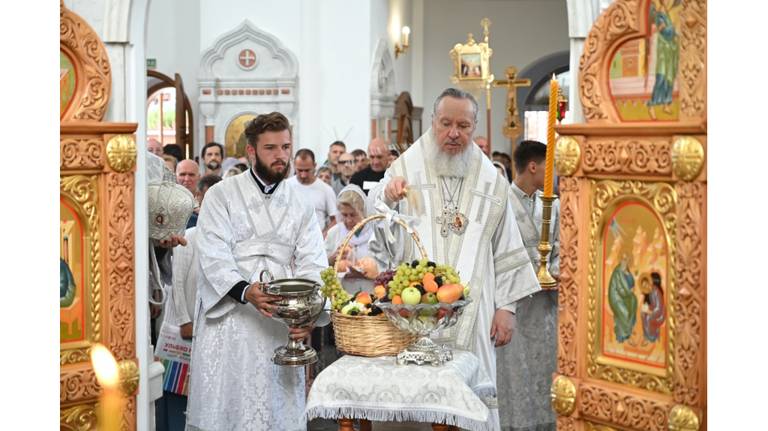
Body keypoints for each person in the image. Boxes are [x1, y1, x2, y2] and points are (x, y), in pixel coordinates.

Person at [369, 88, 540, 430]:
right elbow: (378, 222)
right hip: (412, 312)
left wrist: (507, 308)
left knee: (470, 397)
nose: (453, 133)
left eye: (463, 125)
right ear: (433, 122)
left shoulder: (492, 179)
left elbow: (506, 244)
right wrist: (387, 196)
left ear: (474, 127)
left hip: (474, 316)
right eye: (446, 123)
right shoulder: (405, 168)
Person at [187, 112, 327, 430]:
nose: (281, 156)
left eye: (285, 146)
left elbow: (314, 262)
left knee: (275, 413)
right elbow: (212, 253)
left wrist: (306, 315)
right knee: (228, 410)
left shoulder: (301, 203)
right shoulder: (222, 194)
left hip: (280, 321)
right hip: (231, 322)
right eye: (271, 148)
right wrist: (245, 290)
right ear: (251, 151)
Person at [496, 140, 561, 431]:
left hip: (546, 307)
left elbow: (562, 246)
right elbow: (497, 254)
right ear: (534, 167)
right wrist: (531, 277)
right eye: (550, 166)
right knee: (515, 370)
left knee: (545, 368)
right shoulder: (501, 204)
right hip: (516, 304)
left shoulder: (553, 205)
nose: (555, 171)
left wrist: (554, 272)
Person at [156, 174, 222, 431]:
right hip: (181, 329)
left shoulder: (224, 240)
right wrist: (185, 321)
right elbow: (178, 282)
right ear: (200, 201)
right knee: (176, 397)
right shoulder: (190, 235)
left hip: (205, 329)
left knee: (198, 396)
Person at [324, 185, 374, 292]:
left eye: (353, 215)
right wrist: (334, 258)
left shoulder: (374, 233)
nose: (349, 220)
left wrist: (366, 271)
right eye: (344, 215)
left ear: (363, 212)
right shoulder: (334, 233)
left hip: (371, 293)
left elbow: (385, 266)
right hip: (341, 294)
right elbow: (322, 263)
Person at [287, 149, 338, 236]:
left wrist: (324, 235)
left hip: (316, 241)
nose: (303, 175)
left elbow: (335, 219)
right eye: (300, 170)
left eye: (307, 170)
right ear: (294, 166)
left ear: (315, 166)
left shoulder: (326, 189)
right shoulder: (285, 186)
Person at [176, 159, 201, 228]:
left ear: (199, 177)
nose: (186, 179)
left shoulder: (207, 201)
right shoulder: (166, 202)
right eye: (182, 174)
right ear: (175, 177)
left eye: (191, 175)